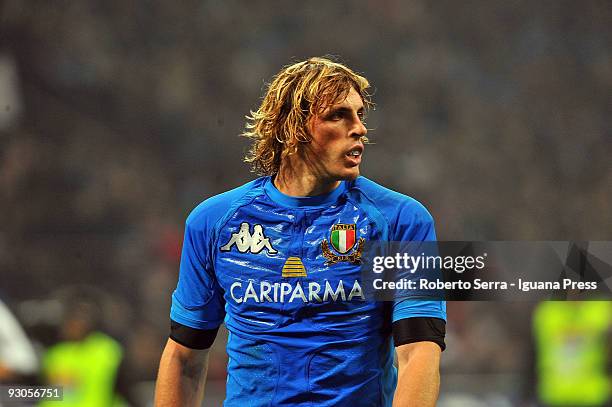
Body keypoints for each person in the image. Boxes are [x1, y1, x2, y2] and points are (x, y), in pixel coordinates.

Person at [154, 56, 446, 406]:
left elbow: (419, 354)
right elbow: (183, 358)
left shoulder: (403, 220)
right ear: (292, 128)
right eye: (339, 115)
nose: (360, 128)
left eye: (360, 115)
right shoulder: (212, 222)